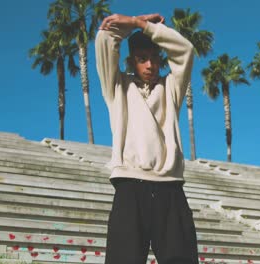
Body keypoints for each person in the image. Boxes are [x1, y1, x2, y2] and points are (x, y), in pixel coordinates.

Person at [95, 12, 198, 264]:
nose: (150, 66)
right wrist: (131, 22)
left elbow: (186, 51)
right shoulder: (117, 87)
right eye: (142, 59)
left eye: (154, 59)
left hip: (169, 189)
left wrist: (143, 26)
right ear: (132, 62)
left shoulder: (171, 88)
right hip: (129, 188)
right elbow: (105, 39)